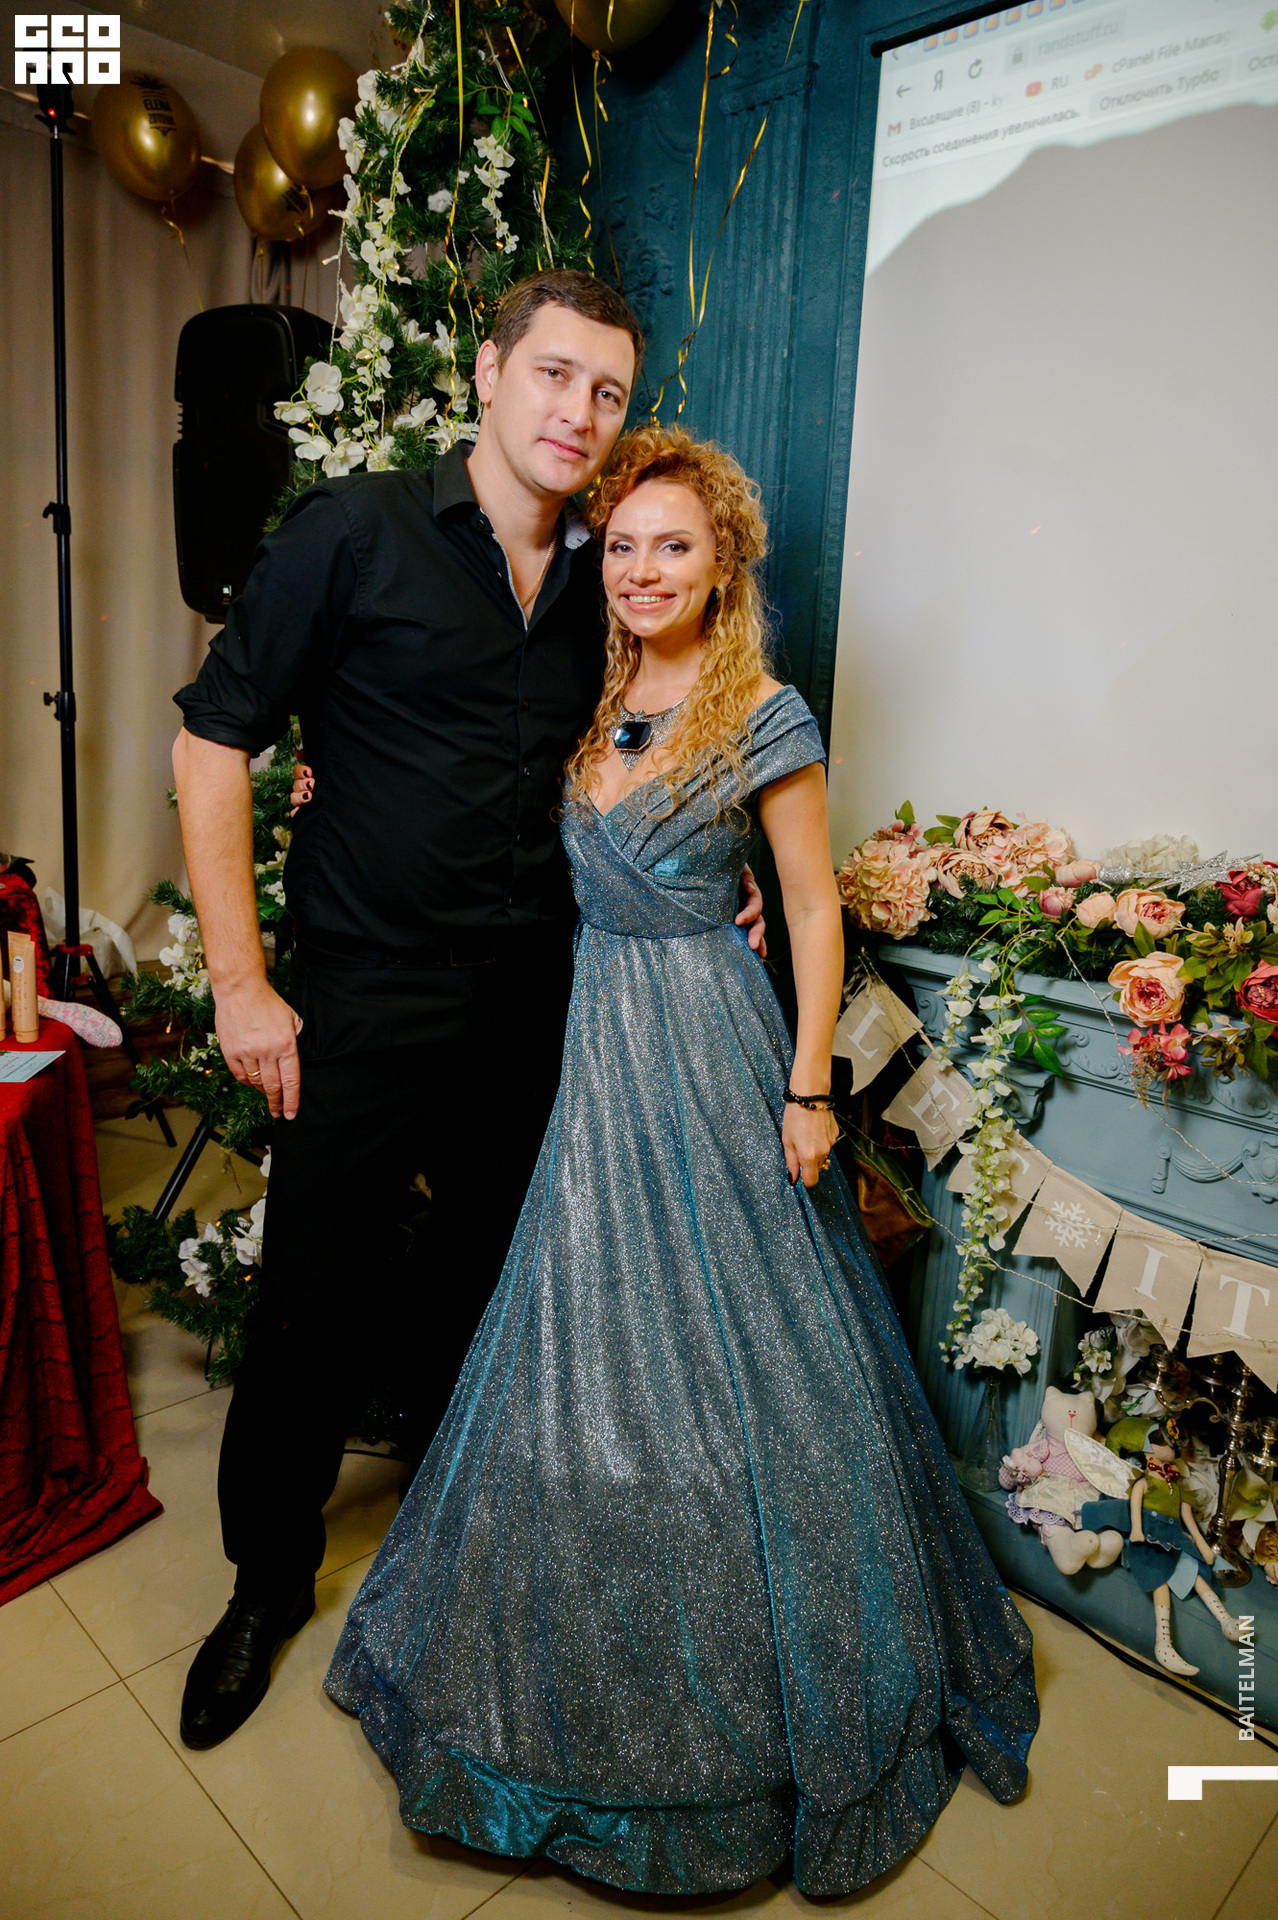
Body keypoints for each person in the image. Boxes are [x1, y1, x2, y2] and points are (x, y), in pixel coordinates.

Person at [323, 427, 1040, 1899]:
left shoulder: (762, 710)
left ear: (724, 568)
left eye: (677, 548)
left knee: (745, 1344)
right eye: (627, 547)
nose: (645, 571)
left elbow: (811, 907)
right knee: (583, 1329)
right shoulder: (589, 697)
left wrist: (808, 1085)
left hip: (713, 1047)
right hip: (595, 1043)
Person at [169, 271, 767, 1752]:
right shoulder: (355, 530)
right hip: (367, 997)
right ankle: (263, 1583)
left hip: (542, 1003)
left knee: (491, 1285)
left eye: (608, 391)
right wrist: (241, 983)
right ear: (491, 375)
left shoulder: (609, 579)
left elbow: (660, 734)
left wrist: (728, 876)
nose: (579, 411)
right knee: (310, 1300)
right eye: (554, 374)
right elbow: (214, 740)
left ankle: (459, 1548)